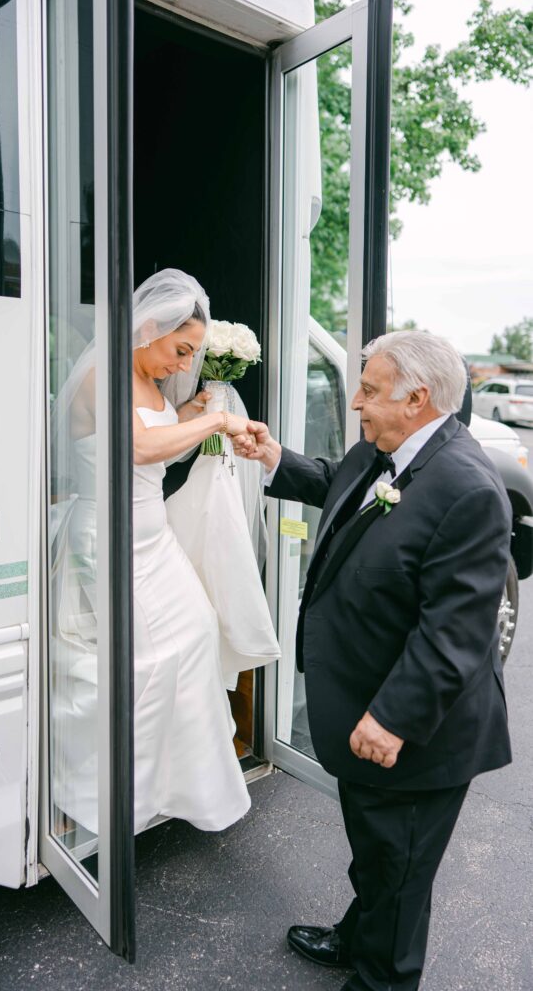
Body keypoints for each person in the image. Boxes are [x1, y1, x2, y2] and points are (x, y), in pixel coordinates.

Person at [234, 330, 512, 991]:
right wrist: (275, 459)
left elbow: (453, 633)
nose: (354, 402)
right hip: (364, 701)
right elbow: (341, 487)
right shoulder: (381, 448)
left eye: (367, 390)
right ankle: (358, 935)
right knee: (377, 855)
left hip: (418, 734)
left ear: (416, 399)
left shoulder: (468, 490)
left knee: (399, 870)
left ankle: (380, 976)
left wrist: (390, 718)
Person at [51, 268, 267, 836]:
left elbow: (157, 455)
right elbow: (139, 445)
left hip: (153, 533)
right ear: (147, 327)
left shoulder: (148, 384)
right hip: (113, 537)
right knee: (151, 659)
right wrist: (218, 419)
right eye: (180, 350)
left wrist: (192, 415)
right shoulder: (101, 376)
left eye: (192, 354)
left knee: (196, 632)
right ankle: (114, 794)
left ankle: (179, 784)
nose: (182, 364)